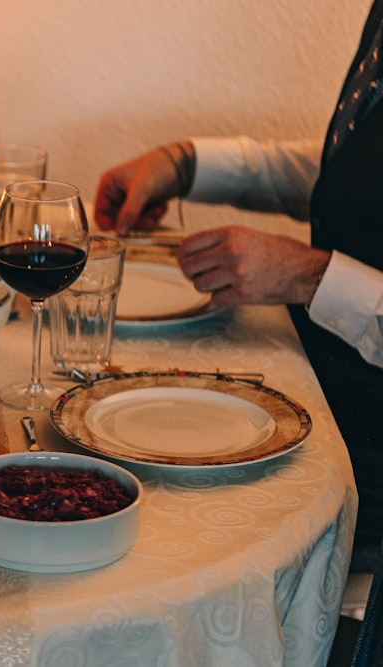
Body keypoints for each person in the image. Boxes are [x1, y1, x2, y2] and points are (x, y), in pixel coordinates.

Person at [94, 0, 383, 571]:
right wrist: (186, 165)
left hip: (366, 435)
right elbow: (355, 174)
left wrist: (310, 275)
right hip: (319, 368)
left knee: (166, 538)